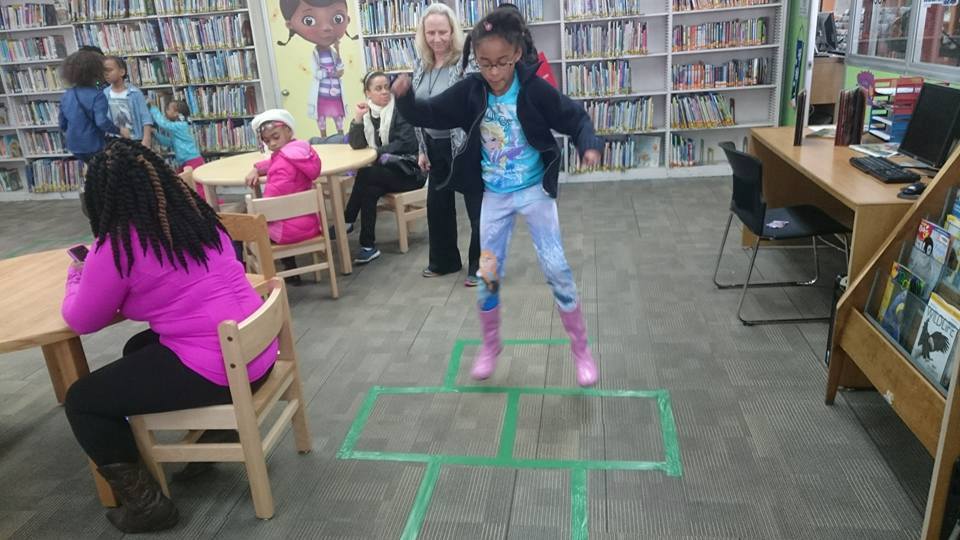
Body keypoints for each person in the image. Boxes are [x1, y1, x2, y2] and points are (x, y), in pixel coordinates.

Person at [61, 138, 278, 533]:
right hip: (258, 351)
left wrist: (76, 278)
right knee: (139, 347)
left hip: (222, 369)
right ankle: (213, 433)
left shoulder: (118, 246)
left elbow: (82, 320)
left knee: (82, 400)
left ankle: (147, 505)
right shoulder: (197, 220)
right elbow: (176, 289)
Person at [393, 9, 604, 386]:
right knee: (487, 273)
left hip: (534, 194)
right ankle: (490, 346)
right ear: (475, 59)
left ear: (518, 54)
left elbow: (575, 118)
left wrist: (587, 143)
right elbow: (431, 113)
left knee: (557, 270)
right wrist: (406, 99)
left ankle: (581, 350)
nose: (494, 72)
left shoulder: (534, 89)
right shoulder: (471, 91)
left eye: (502, 63)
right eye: (485, 64)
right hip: (495, 197)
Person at [412, 3, 482, 286]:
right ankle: (444, 261)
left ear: (453, 31)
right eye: (431, 33)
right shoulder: (421, 64)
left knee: (477, 209)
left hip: (464, 147)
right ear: (423, 34)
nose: (437, 39)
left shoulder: (466, 63)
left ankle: (481, 268)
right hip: (434, 146)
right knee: (437, 207)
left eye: (442, 32)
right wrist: (421, 148)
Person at [345, 71, 424, 265]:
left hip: (409, 171)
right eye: (378, 89)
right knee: (369, 190)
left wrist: (375, 153)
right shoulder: (367, 115)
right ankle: (367, 246)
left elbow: (406, 143)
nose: (384, 92)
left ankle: (347, 220)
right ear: (367, 93)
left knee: (366, 173)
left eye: (386, 87)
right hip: (383, 174)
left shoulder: (400, 110)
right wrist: (357, 120)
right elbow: (356, 145)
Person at [244, 109, 323, 283]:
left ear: (288, 131)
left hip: (288, 231)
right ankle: (291, 269)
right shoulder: (300, 151)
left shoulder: (282, 168)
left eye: (275, 137)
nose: (271, 144)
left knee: (246, 225)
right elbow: (275, 160)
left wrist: (253, 213)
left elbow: (269, 206)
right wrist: (257, 168)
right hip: (310, 222)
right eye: (267, 141)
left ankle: (255, 279)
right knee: (277, 215)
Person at [277, 0, 351, 137]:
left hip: (335, 92)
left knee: (338, 114)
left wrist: (338, 50)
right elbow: (317, 73)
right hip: (322, 92)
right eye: (309, 20)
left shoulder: (333, 53)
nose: (326, 28)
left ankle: (341, 135)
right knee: (321, 116)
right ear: (290, 25)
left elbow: (340, 68)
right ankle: (323, 138)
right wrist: (331, 73)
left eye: (337, 18)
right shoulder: (315, 54)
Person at [59, 50, 121, 163]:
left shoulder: (67, 95)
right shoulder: (97, 95)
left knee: (90, 170)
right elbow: (101, 122)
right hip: (93, 145)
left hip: (74, 146)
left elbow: (62, 124)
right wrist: (119, 130)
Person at [102, 56, 153, 147]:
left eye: (109, 70)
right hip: (114, 142)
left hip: (136, 139)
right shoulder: (104, 94)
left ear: (122, 72)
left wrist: (146, 139)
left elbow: (146, 117)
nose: (106, 73)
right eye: (104, 71)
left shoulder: (135, 93)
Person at [148, 99, 205, 175]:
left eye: (168, 109)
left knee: (194, 184)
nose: (165, 111)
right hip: (186, 162)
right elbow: (168, 142)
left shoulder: (181, 125)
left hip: (192, 161)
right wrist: (155, 133)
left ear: (176, 113)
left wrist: (153, 108)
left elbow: (163, 124)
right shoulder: (178, 128)